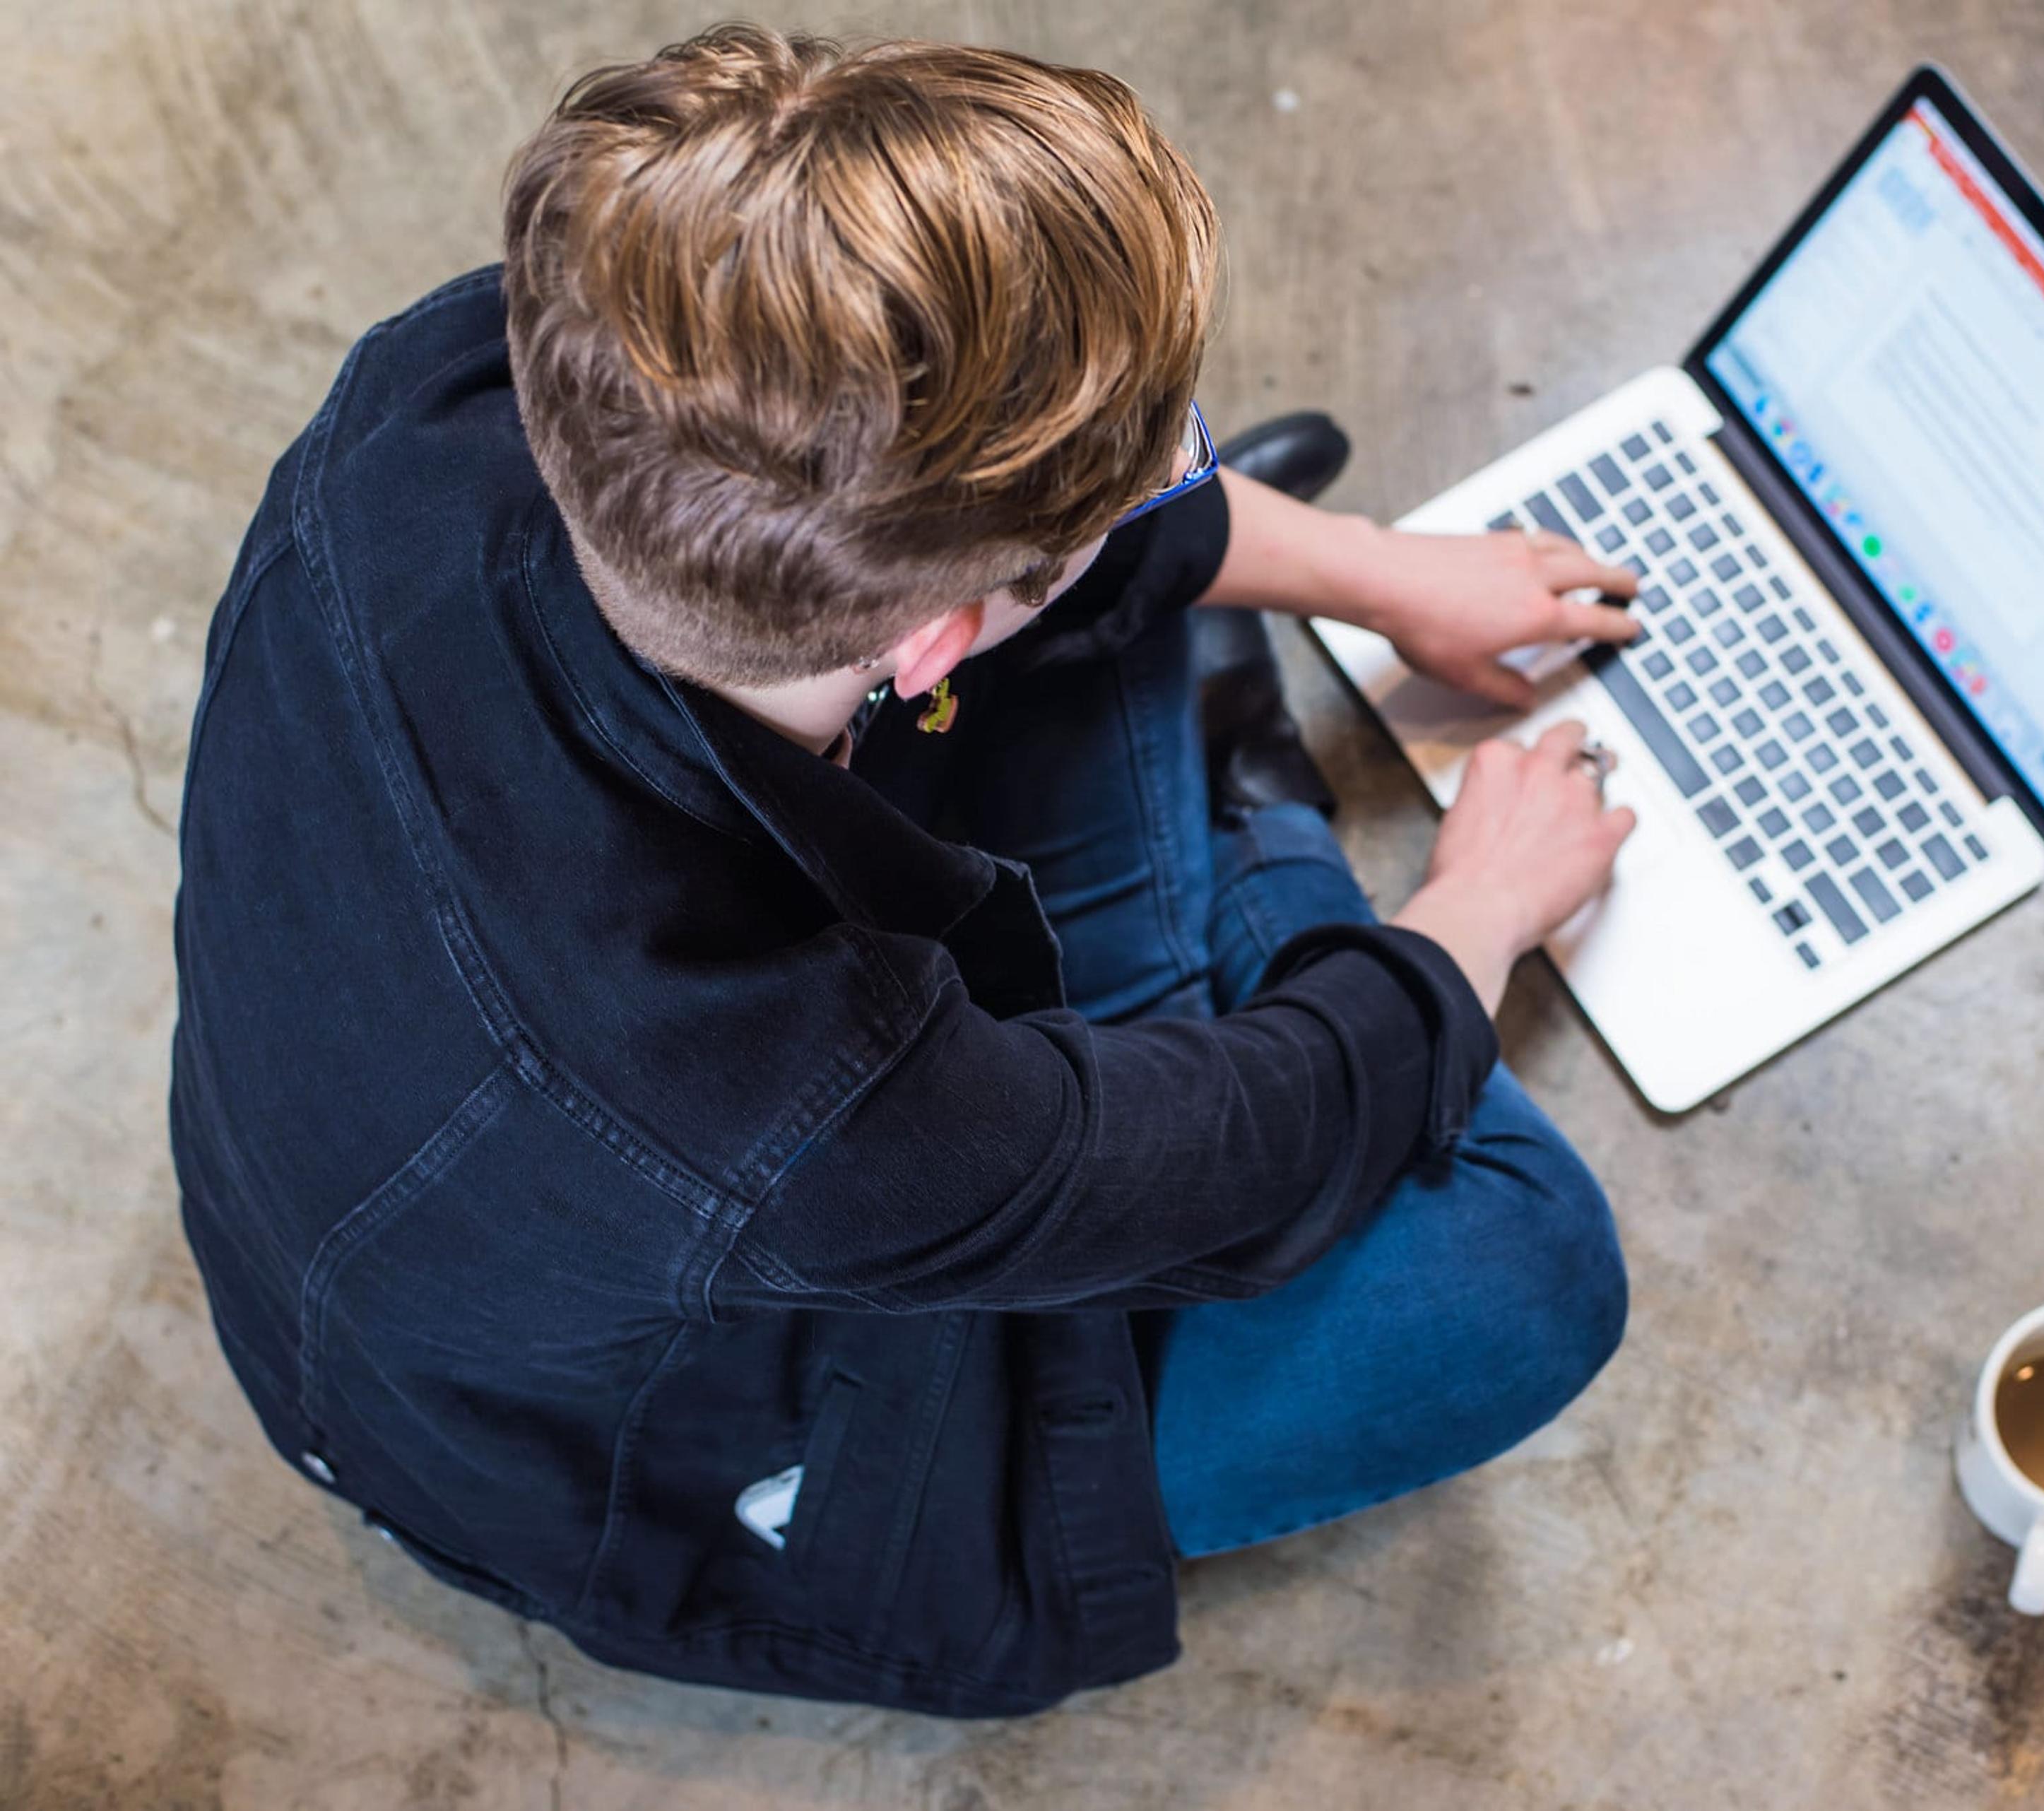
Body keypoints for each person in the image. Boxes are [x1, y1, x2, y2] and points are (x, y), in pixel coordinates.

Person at [170, 25, 1643, 1718]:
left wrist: (1383, 578)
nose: (1179, 471)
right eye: (1150, 480)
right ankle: (1268, 838)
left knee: (1064, 506)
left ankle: (1210, 783)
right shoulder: (789, 1106)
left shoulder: (471, 374)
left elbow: (970, 523)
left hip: (573, 1132)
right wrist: (1478, 907)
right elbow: (1256, 1149)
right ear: (929, 633)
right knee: (1521, 1270)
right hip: (640, 1431)